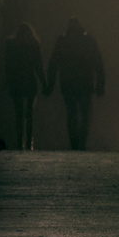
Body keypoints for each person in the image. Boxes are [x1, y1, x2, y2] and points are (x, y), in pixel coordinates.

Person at [45, 17, 105, 150]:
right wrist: (100, 84)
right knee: (85, 115)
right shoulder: (88, 41)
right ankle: (82, 142)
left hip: (68, 84)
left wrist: (50, 85)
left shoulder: (63, 41)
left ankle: (74, 143)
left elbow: (54, 64)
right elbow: (98, 62)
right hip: (85, 83)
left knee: (71, 114)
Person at [4, 23, 46, 149]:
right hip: (29, 81)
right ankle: (28, 140)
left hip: (16, 82)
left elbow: (8, 66)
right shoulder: (33, 44)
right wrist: (44, 82)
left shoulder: (11, 45)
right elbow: (38, 65)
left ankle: (19, 140)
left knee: (19, 113)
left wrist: (8, 82)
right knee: (29, 113)